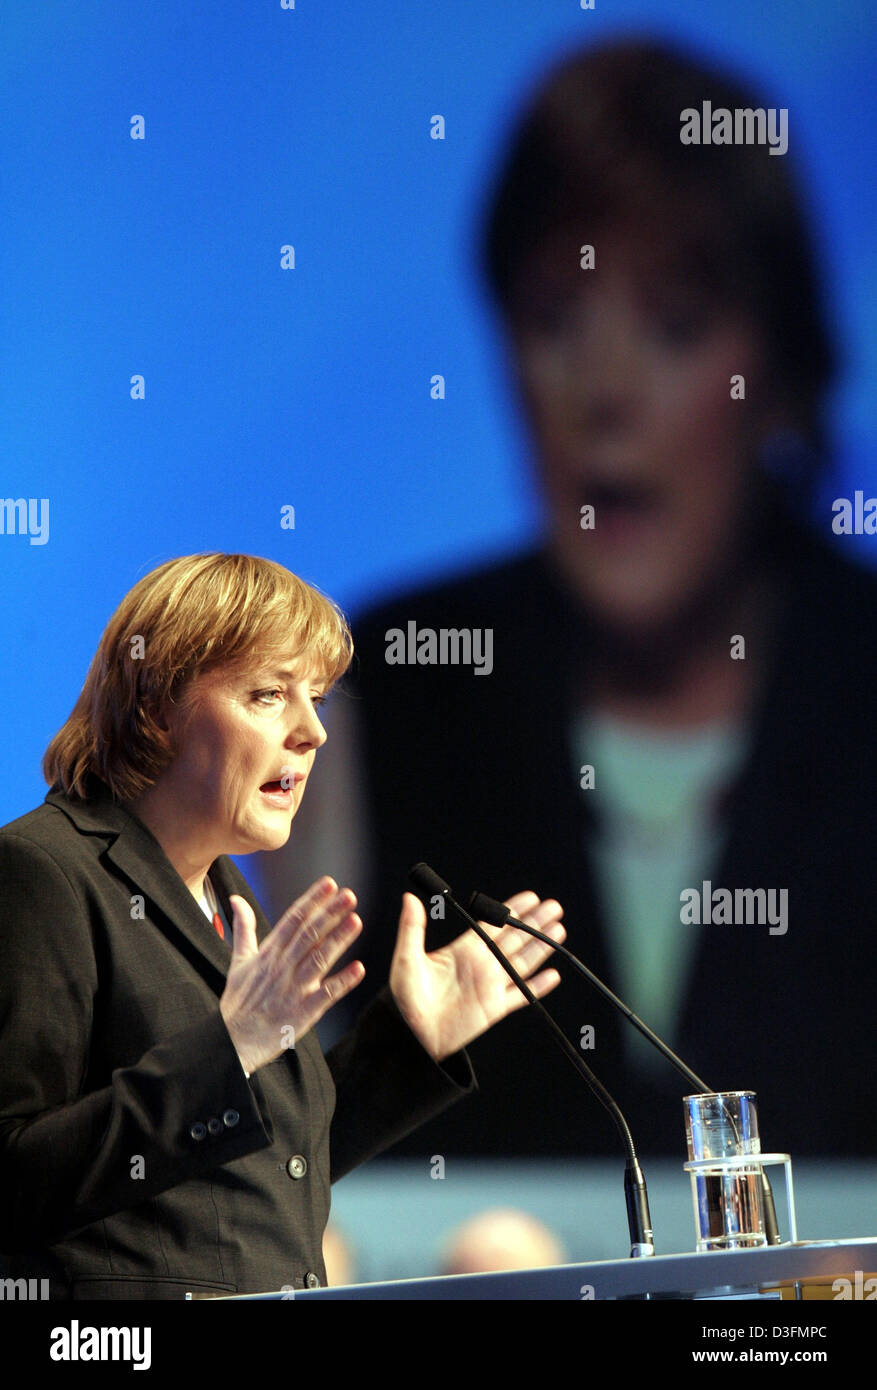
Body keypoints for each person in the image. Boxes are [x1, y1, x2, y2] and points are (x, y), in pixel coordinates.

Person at [258, 38, 877, 1161]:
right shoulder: (375, 695)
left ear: (780, 373)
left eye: (676, 324)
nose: (604, 392)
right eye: (554, 319)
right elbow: (284, 1168)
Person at [0, 552, 565, 1299]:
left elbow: (251, 1176)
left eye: (318, 699)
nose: (311, 733)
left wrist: (406, 1044)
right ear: (156, 707)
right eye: (268, 695)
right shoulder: (41, 872)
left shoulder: (228, 899)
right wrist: (227, 1051)